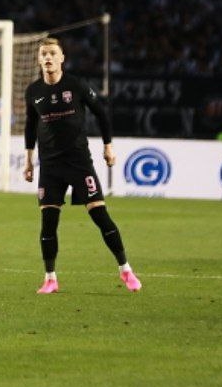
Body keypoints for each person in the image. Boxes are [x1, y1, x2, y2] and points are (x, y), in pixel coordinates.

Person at [23, 37, 142, 294]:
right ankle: (50, 278)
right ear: (39, 59)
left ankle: (126, 270)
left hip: (79, 163)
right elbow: (30, 127)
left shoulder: (75, 85)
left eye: (52, 53)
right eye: (43, 54)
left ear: (62, 58)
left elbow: (101, 113)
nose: (48, 57)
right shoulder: (33, 91)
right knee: (48, 223)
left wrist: (108, 146)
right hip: (50, 166)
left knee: (100, 215)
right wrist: (29, 160)